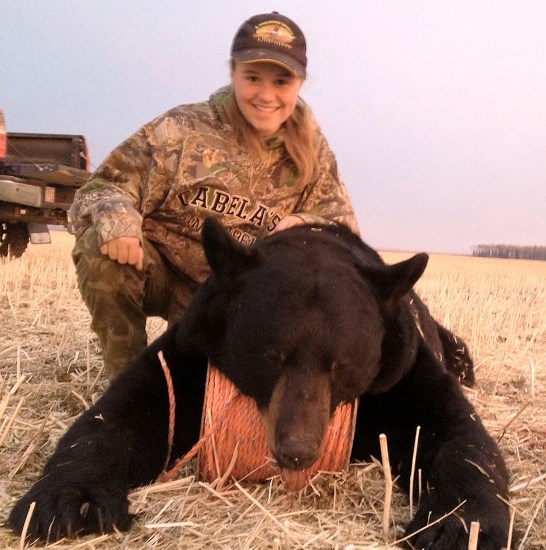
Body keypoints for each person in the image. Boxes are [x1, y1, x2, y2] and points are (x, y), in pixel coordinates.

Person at [69, 12, 359, 380]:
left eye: (282, 81)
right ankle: (125, 384)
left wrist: (305, 224)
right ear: (233, 73)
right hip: (161, 274)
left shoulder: (312, 153)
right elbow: (102, 187)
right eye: (252, 78)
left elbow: (345, 231)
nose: (266, 95)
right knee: (101, 249)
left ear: (300, 83)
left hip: (233, 303)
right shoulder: (182, 130)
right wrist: (120, 222)